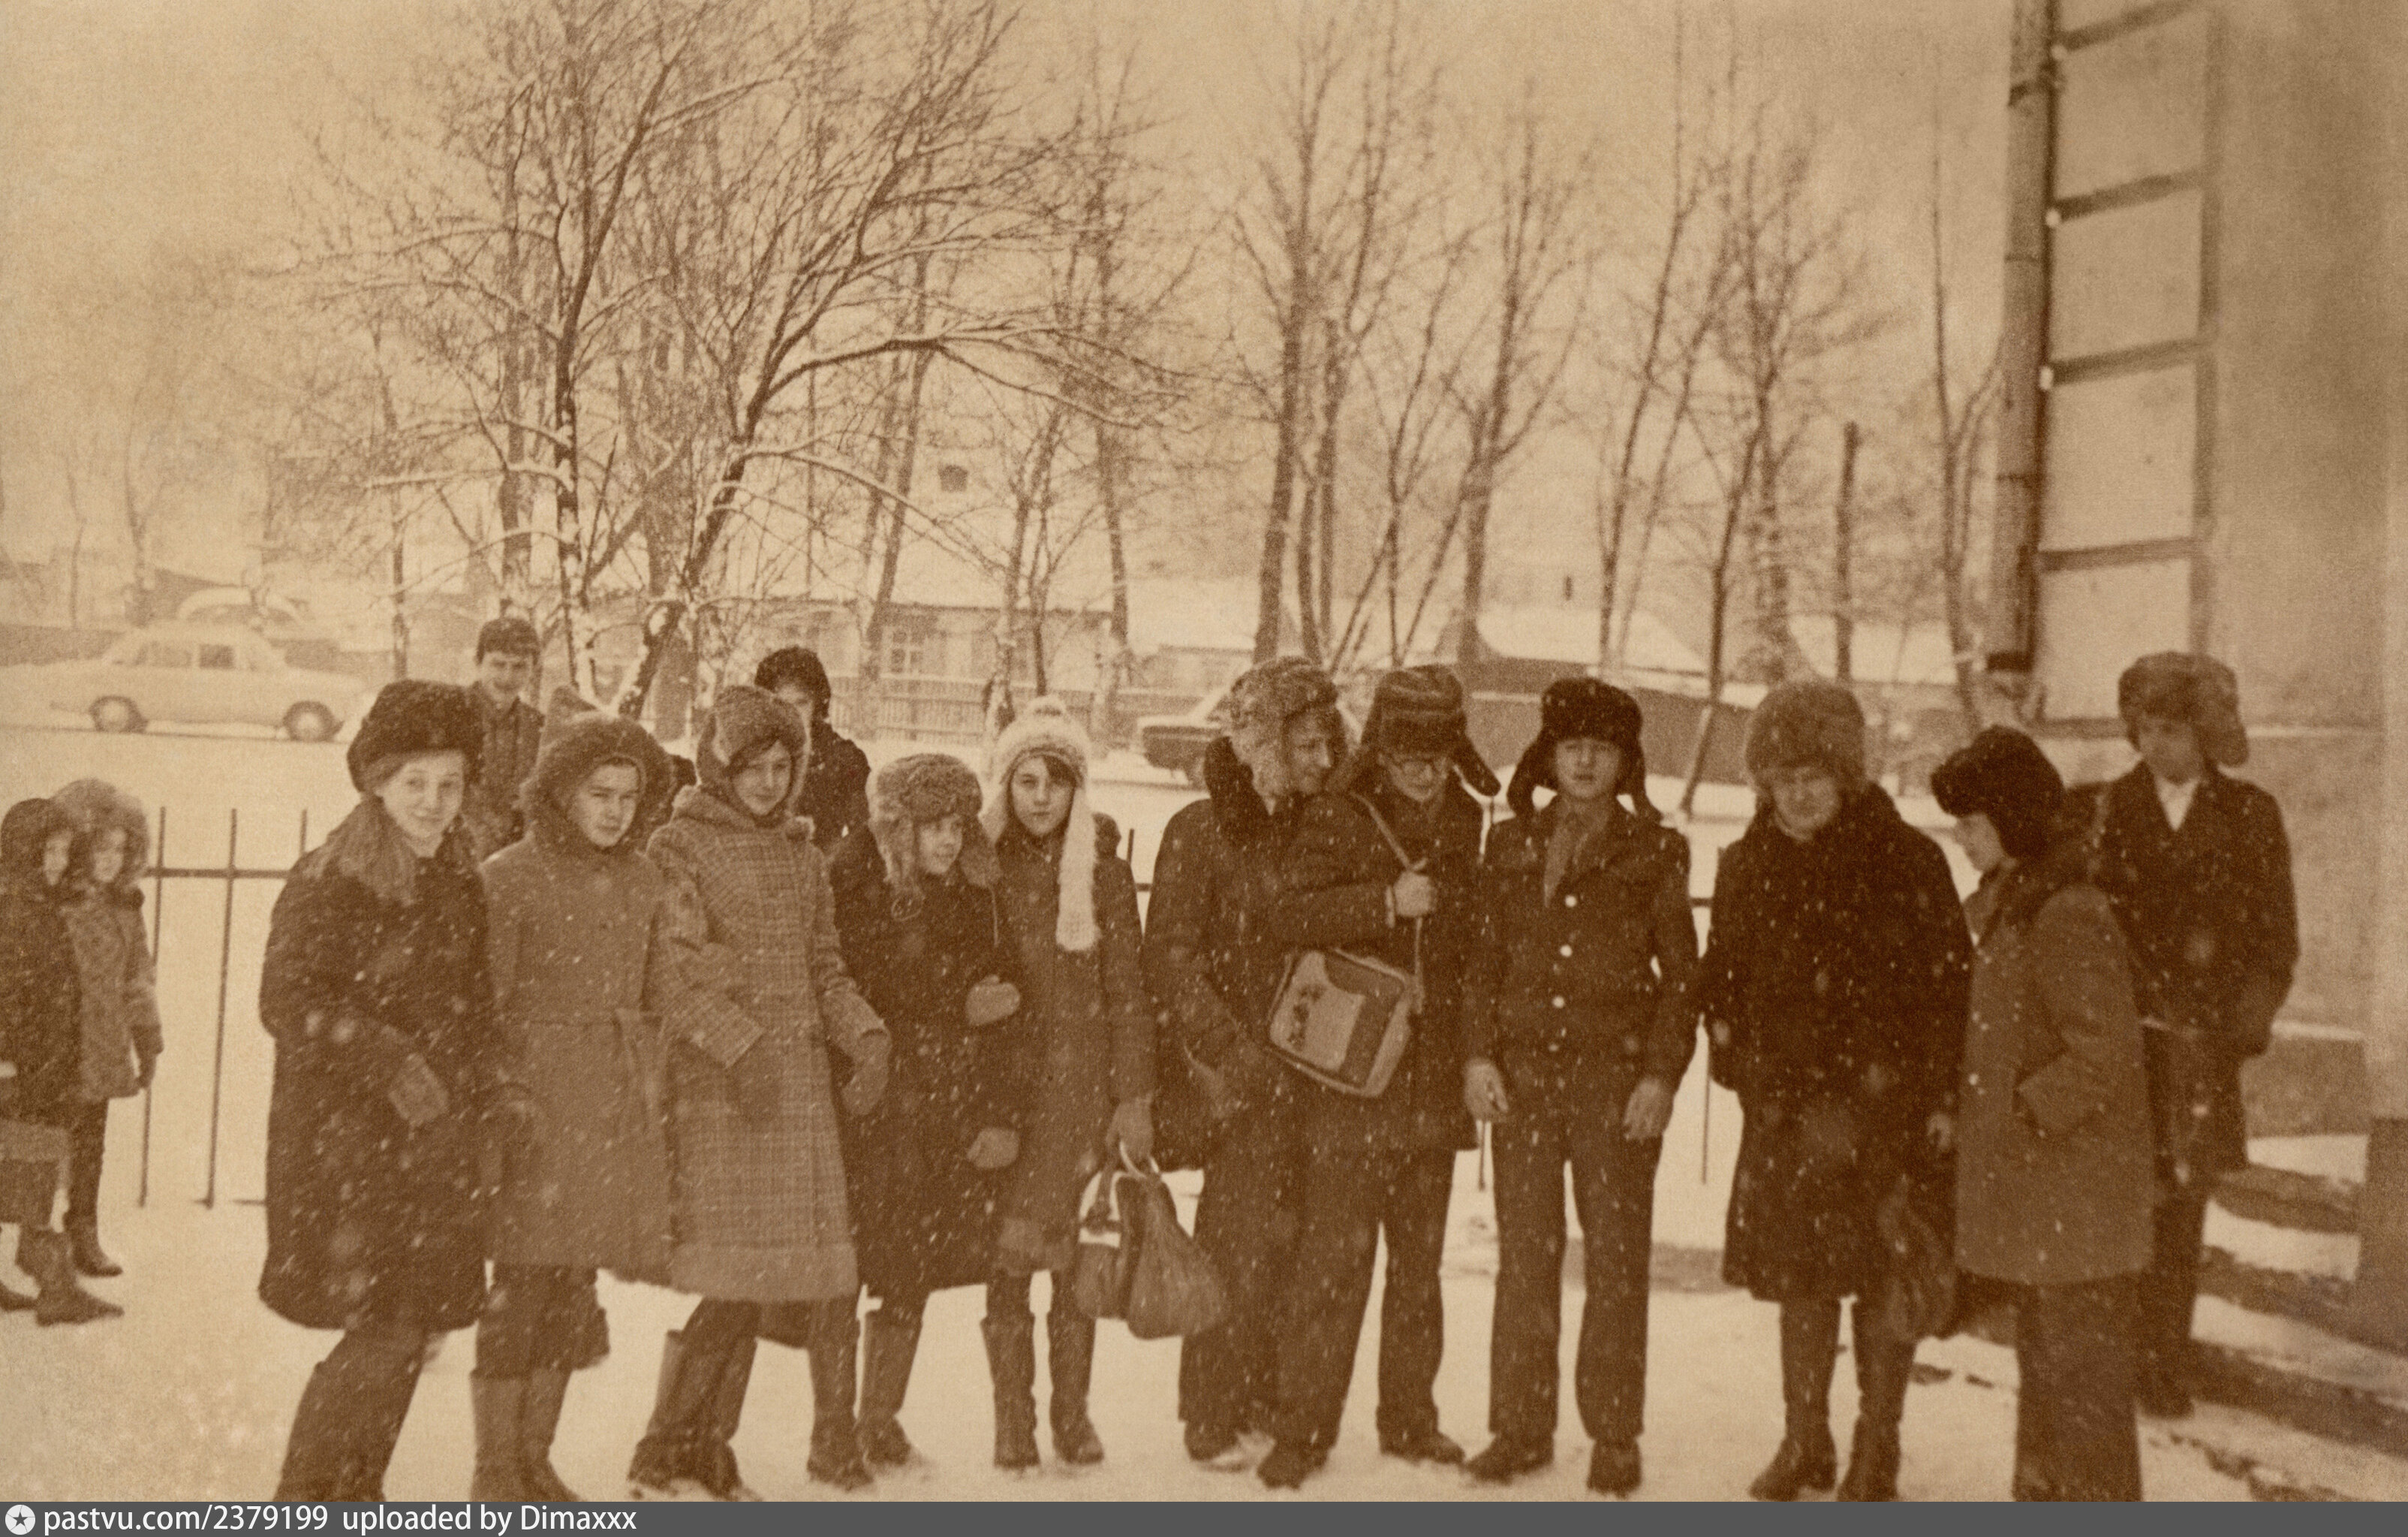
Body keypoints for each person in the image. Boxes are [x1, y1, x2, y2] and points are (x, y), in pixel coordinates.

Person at [1700, 680, 1970, 1502]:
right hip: (1787, 1114)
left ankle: (1876, 1446)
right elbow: (1722, 982)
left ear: (1845, 775)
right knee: (1802, 1277)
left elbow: (1950, 990)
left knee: (1885, 1273)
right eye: (1783, 778)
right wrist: (1741, 1065)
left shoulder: (1908, 861)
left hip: (1887, 1112)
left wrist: (1940, 1098)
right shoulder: (1746, 865)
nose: (1800, 793)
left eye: (1814, 774)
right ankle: (1804, 1439)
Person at [627, 685, 891, 1498]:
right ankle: (664, 1443)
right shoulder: (679, 846)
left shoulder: (803, 854)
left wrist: (866, 1035)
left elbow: (824, 968)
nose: (770, 783)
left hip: (798, 1093)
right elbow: (672, 972)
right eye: (753, 767)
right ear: (720, 766)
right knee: (733, 1278)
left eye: (783, 766)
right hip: (723, 1089)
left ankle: (706, 1443)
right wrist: (741, 1048)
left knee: (763, 1282)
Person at [260, 680, 518, 1500]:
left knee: (411, 1328)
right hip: (347, 1150)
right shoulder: (329, 878)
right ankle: (307, 1496)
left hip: (434, 1147)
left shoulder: (458, 879)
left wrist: (491, 1087)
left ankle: (358, 1488)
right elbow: (287, 999)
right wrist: (383, 1056)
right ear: (378, 781)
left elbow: (474, 1006)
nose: (434, 802)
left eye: (450, 783)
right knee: (383, 1329)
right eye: (415, 782)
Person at [1255, 665, 1491, 1490]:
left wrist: (1472, 1049)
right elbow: (1287, 914)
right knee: (1332, 1264)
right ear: (1381, 752)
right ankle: (1302, 1429)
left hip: (1430, 1080)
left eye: (1439, 757)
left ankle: (1410, 1419)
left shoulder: (1467, 817)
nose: (1425, 773)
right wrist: (1385, 902)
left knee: (1418, 1268)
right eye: (1408, 756)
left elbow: (1474, 947)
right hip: (1350, 1078)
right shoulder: (1338, 812)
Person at [1461, 679, 1696, 1496]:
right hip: (1525, 1082)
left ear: (1625, 762)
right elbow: (1482, 964)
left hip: (1614, 1085)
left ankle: (1614, 1433)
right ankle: (1520, 1427)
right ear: (1550, 756)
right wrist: (1478, 1057)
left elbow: (1682, 980)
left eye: (1602, 749)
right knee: (1525, 1258)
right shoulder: (1510, 844)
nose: (1586, 762)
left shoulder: (1655, 851)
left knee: (1617, 1261)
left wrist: (1659, 1076)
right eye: (1572, 747)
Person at [2067, 652, 2297, 1419]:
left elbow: (2274, 942)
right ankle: (2106, 1356)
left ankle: (2162, 1359)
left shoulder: (2250, 816)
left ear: (2206, 733)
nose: (2153, 743)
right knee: (2111, 1204)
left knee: (2178, 1212)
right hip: (2116, 1044)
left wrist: (2237, 1030)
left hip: (2199, 1049)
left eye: (2171, 729)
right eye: (2144, 728)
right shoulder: (2100, 811)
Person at [1936, 728, 2151, 1501]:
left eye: (1971, 823)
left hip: (2077, 1196)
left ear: (2012, 819)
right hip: (2049, 1196)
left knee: (2083, 1385)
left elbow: (2105, 1052)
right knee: (2050, 1371)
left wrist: (2020, 1114)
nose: (1962, 839)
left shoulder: (2065, 912)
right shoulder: (2019, 901)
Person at [474, 713, 681, 1500]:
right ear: (561, 792)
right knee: (522, 1284)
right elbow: (484, 1007)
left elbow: (658, 987)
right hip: (534, 1107)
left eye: (629, 796)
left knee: (572, 1287)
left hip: (610, 1107)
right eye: (600, 793)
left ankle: (536, 1457)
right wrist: (503, 1094)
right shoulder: (508, 876)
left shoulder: (643, 879)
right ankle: (494, 1468)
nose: (615, 811)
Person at [1143, 658, 1345, 1465]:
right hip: (1241, 1079)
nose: (1322, 760)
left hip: (1318, 1068)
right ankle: (1211, 1410)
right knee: (1235, 1243)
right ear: (1263, 746)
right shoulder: (1200, 831)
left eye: (1328, 744)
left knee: (1293, 1247)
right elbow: (1170, 956)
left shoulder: (1321, 825)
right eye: (1304, 745)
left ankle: (1265, 1395)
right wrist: (1231, 1049)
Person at [827, 753, 1031, 1468]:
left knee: (911, 1265)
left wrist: (996, 1108)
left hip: (942, 1107)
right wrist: (954, 1003)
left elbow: (999, 993)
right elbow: (857, 977)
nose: (948, 839)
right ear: (897, 827)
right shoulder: (857, 877)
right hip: (871, 1105)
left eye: (957, 825)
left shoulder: (972, 891)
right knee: (846, 1270)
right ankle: (833, 1427)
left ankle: (878, 1418)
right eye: (931, 825)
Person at [979, 698, 1154, 1469]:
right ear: (1006, 786)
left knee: (1075, 1266)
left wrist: (1134, 1097)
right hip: (1006, 1095)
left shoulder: (1104, 874)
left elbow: (1129, 994)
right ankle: (1012, 1421)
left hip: (1080, 1096)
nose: (1041, 796)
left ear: (1077, 788)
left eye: (1055, 780)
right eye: (1027, 780)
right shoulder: (982, 869)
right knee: (1008, 1261)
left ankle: (1071, 1416)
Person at [0, 798, 120, 1325]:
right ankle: (54, 1285)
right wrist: (7, 1058)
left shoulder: (39, 904)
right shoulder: (14, 908)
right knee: (29, 1166)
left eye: (63, 851)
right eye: (47, 851)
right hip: (22, 1067)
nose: (57, 862)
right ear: (23, 851)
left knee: (28, 1165)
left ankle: (50, 1278)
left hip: (43, 1064)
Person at [50, 779, 164, 1281]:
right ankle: (35, 1238)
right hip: (56, 1044)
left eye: (120, 849)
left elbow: (138, 978)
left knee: (90, 1144)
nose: (111, 860)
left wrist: (148, 1039)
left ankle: (83, 1230)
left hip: (102, 1045)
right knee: (41, 1143)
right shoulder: (55, 904)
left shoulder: (125, 908)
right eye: (101, 848)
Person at [757, 646, 872, 851]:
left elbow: (864, 836)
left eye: (801, 703)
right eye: (782, 704)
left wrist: (831, 860)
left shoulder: (844, 759)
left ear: (816, 704)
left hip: (822, 865)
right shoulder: (749, 755)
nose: (792, 714)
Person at [462, 616, 544, 858]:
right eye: (498, 664)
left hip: (514, 863)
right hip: (454, 858)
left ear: (533, 669)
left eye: (520, 666)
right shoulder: (449, 716)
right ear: (478, 663)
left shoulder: (540, 729)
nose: (508, 677)